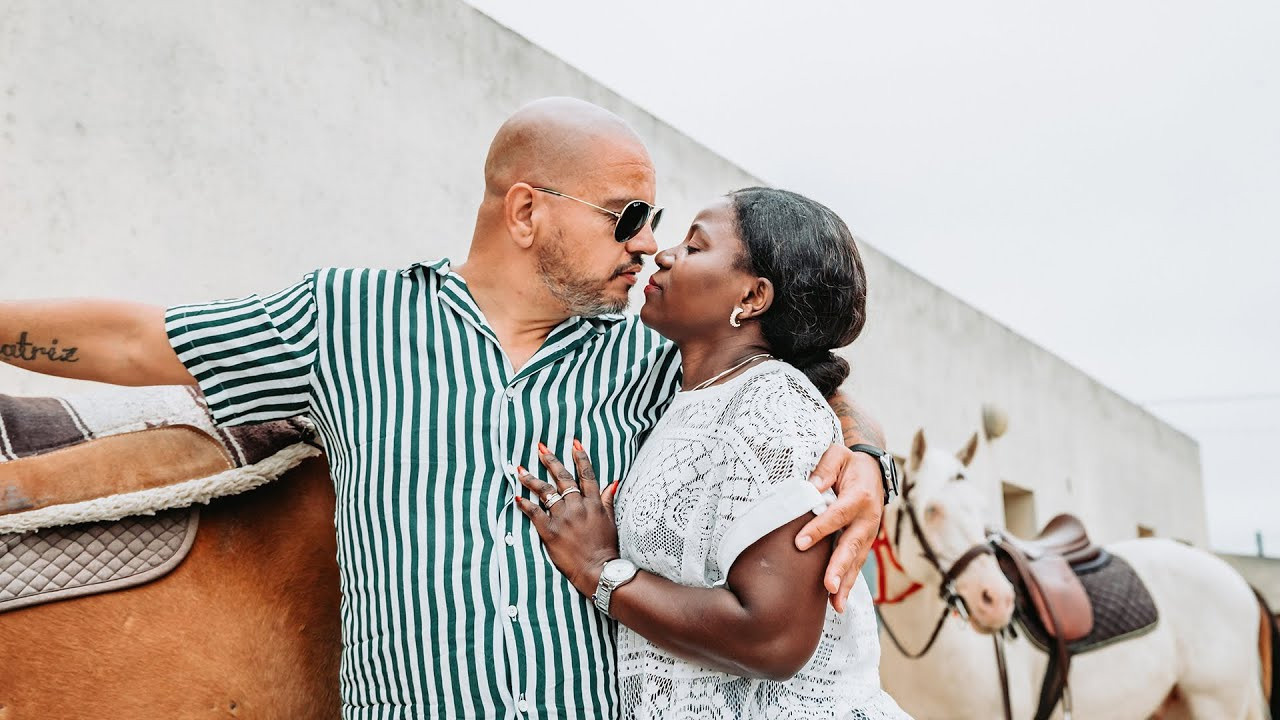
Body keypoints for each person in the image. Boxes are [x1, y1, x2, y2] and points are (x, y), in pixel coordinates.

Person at [0, 98, 894, 719]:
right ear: (526, 211)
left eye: (656, 220)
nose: (648, 245)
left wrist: (866, 466)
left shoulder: (653, 354)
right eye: (627, 216)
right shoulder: (346, 320)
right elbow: (135, 341)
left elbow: (799, 385)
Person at [517, 188, 909, 719]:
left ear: (751, 298)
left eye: (695, 247)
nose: (663, 253)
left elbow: (773, 639)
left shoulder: (774, 403)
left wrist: (598, 569)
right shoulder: (688, 393)